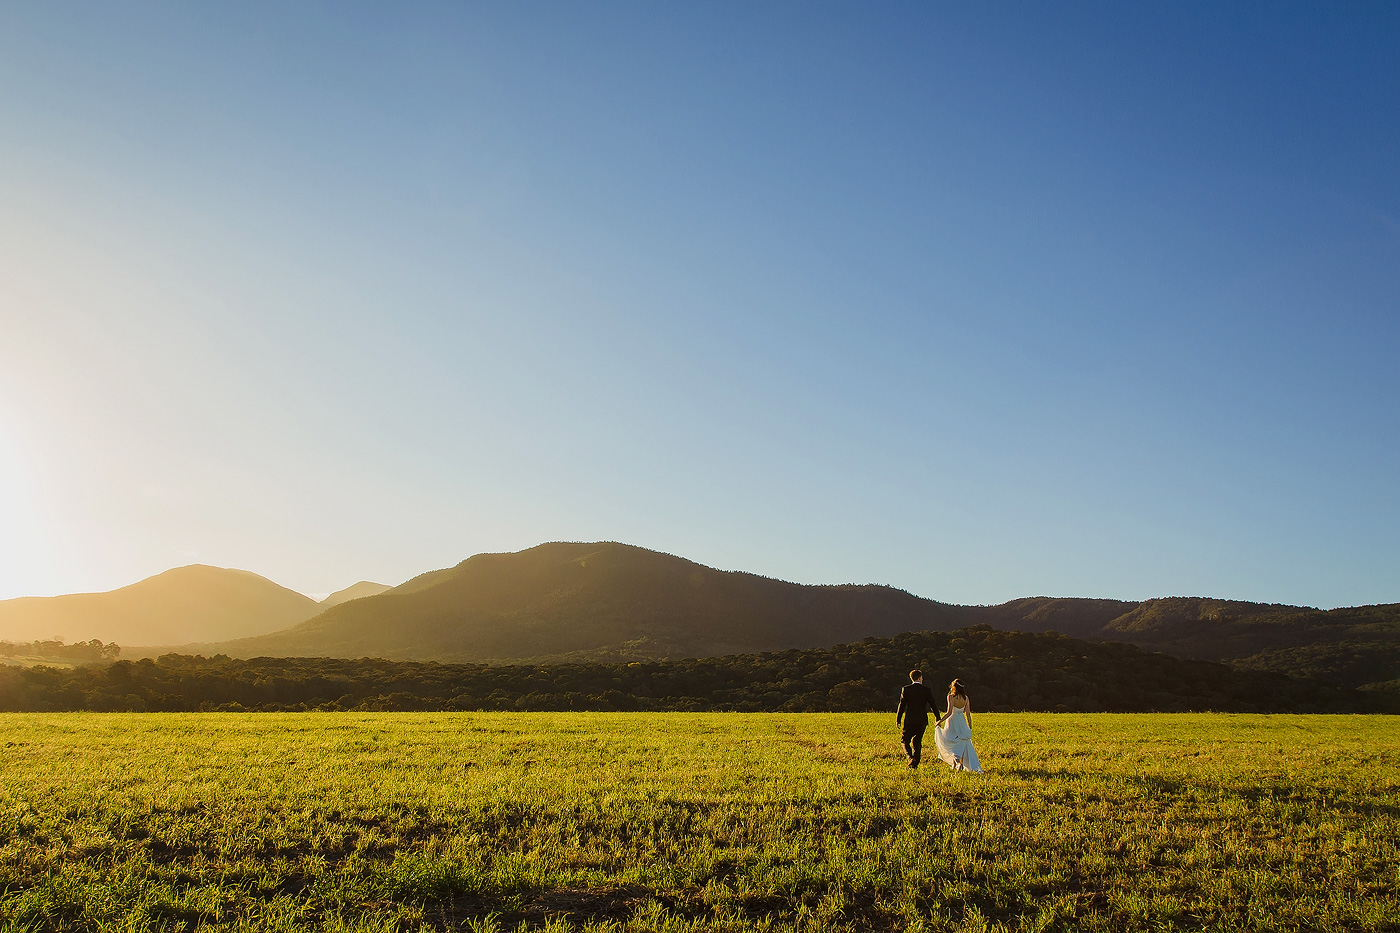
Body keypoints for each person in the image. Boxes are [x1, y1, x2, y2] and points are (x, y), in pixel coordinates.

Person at [934, 678, 982, 772]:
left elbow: (949, 712)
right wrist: (969, 726)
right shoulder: (966, 698)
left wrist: (940, 721)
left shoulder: (951, 697)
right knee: (960, 742)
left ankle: (957, 761)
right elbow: (968, 714)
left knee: (950, 741)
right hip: (962, 721)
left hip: (952, 721)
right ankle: (955, 763)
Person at [895, 669, 937, 768]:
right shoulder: (926, 690)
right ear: (919, 678)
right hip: (922, 719)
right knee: (917, 741)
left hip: (910, 719)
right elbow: (933, 705)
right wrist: (937, 718)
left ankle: (910, 758)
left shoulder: (906, 689)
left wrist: (898, 719)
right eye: (922, 677)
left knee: (905, 740)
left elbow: (902, 705)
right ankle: (915, 761)